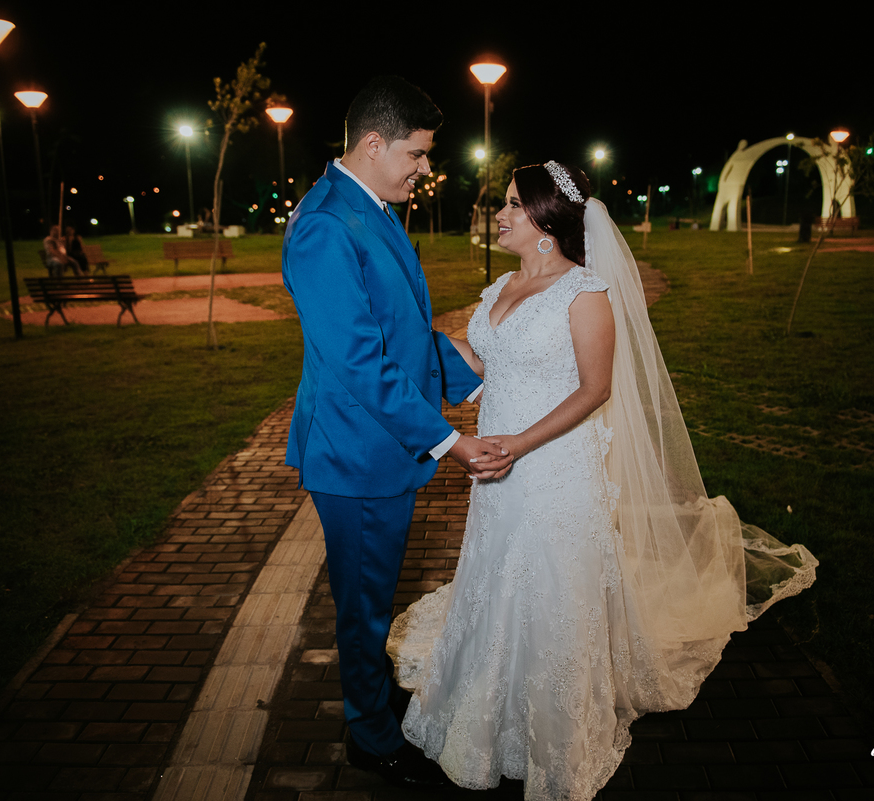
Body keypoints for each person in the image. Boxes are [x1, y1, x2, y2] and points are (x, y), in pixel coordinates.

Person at [388, 162, 818, 801]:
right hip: (495, 468)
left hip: (554, 467)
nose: (499, 214)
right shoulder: (499, 285)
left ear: (546, 223)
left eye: (511, 204)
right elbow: (483, 361)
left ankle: (555, 737)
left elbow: (595, 388)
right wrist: (409, 344)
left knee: (554, 586)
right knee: (498, 575)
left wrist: (517, 445)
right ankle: (489, 705)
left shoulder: (584, 293)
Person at [280, 75, 514, 790]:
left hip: (377, 446)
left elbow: (401, 331)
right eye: (415, 153)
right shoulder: (324, 225)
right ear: (373, 144)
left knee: (372, 594)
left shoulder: (373, 206)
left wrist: (475, 373)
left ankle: (374, 703)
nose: (423, 166)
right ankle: (370, 736)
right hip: (355, 456)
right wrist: (449, 438)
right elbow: (356, 359)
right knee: (363, 603)